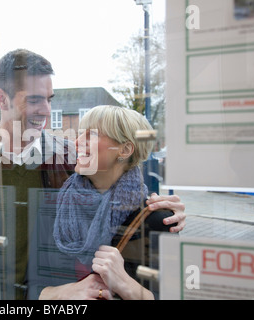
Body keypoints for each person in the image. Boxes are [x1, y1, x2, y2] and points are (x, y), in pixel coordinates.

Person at [0, 49, 186, 299]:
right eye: (35, 100)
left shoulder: (73, 160)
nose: (47, 111)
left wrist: (166, 214)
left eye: (50, 99)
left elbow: (123, 192)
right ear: (2, 99)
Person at [40, 105, 172, 300]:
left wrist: (127, 286)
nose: (76, 142)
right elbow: (31, 286)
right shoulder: (57, 208)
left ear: (125, 149)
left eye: (91, 135)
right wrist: (60, 293)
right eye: (79, 134)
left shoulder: (157, 219)